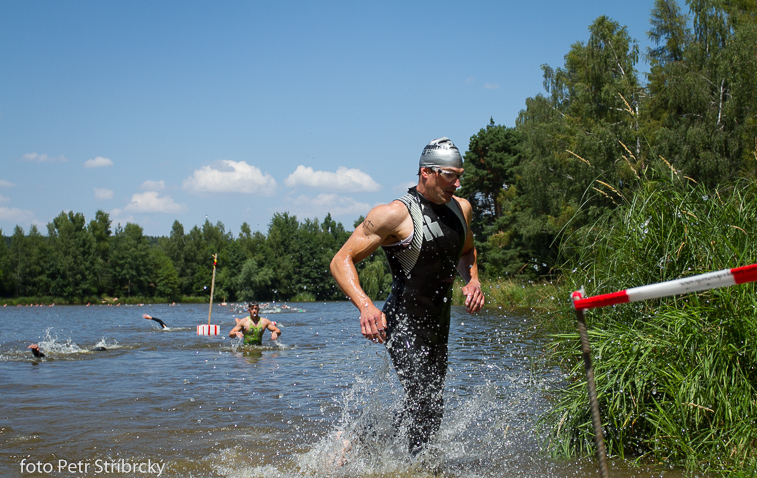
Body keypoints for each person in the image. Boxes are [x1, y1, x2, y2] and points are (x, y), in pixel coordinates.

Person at [330, 137, 485, 454]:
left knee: (431, 408)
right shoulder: (394, 215)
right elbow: (340, 260)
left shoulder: (461, 209)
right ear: (426, 172)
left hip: (438, 327)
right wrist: (365, 306)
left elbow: (467, 251)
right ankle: (413, 463)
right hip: (402, 325)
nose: (456, 183)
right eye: (449, 175)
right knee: (424, 402)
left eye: (460, 175)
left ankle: (367, 444)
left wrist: (472, 280)